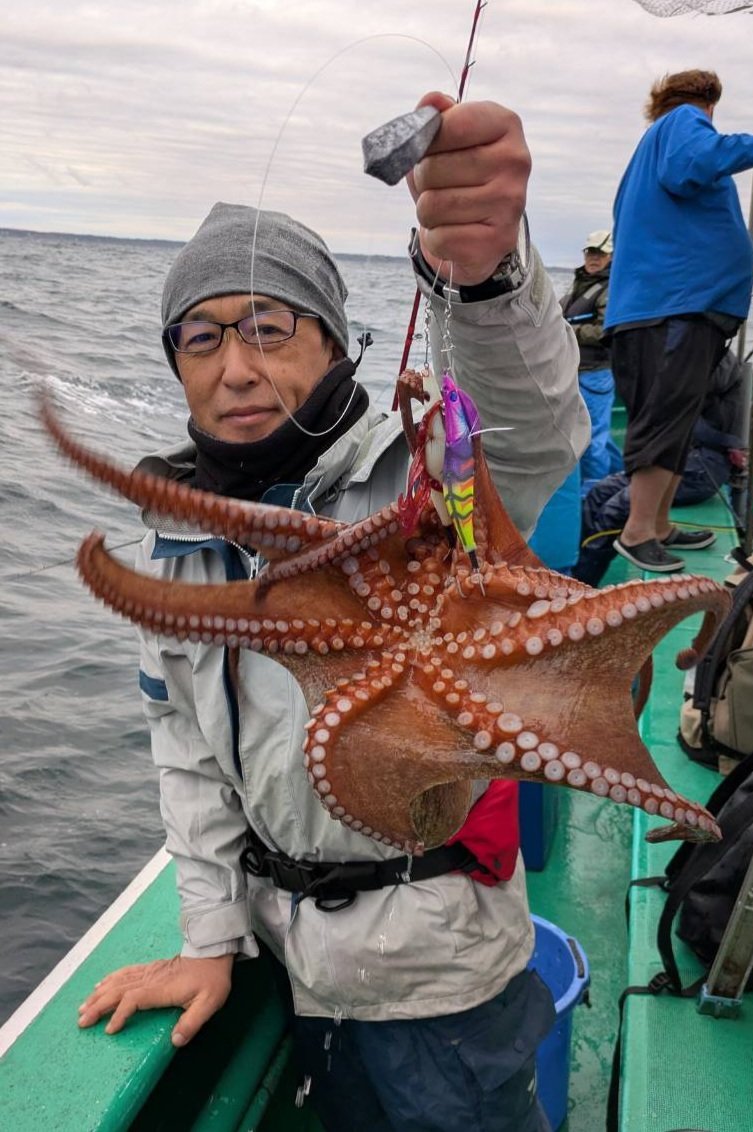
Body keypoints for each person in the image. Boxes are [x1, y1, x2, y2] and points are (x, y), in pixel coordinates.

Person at [75, 91, 590, 1132]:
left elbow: (532, 430)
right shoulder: (177, 548)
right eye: (201, 337)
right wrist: (210, 939)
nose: (235, 367)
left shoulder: (426, 476)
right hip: (291, 969)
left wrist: (486, 277)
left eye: (268, 327)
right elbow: (188, 755)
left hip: (442, 984)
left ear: (331, 340)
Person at [604, 69, 753, 573]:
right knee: (665, 415)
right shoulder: (683, 122)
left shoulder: (654, 143)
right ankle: (637, 531)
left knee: (679, 418)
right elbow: (693, 163)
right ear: (707, 102)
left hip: (672, 306)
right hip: (673, 306)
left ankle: (659, 524)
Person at [575, 348, 747, 587]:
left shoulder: (714, 357)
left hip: (700, 467)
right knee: (599, 492)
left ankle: (581, 587)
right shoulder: (686, 354)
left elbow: (685, 389)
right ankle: (575, 579)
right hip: (677, 458)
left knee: (614, 511)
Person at [559, 229, 623, 494]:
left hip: (596, 375)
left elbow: (606, 330)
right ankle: (622, 480)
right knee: (598, 437)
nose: (593, 258)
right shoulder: (580, 284)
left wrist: (567, 331)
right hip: (575, 372)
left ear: (611, 256)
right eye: (590, 252)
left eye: (600, 253)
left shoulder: (612, 288)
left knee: (592, 439)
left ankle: (593, 495)